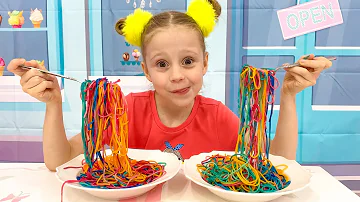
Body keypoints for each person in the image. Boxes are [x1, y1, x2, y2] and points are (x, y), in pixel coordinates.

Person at [7, 0, 332, 171]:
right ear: (147, 71)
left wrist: (288, 96)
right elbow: (59, 161)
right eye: (162, 64)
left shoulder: (216, 116)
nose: (177, 75)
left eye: (188, 61)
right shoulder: (126, 111)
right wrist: (51, 103)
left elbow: (279, 159)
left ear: (205, 63)